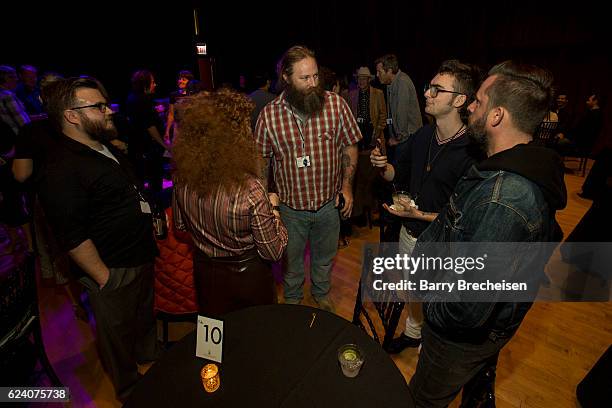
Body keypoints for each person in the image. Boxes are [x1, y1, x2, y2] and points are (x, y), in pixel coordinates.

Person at [407, 61, 566, 406]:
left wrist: (429, 304)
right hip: (471, 329)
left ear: (497, 116)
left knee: (421, 399)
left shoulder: (504, 200)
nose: (472, 106)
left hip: (454, 340)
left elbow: (465, 310)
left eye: (478, 100)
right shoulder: (505, 167)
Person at [38, 77, 160, 401]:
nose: (109, 111)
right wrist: (105, 278)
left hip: (140, 255)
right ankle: (131, 392)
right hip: (112, 269)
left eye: (106, 104)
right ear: (72, 116)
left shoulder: (103, 145)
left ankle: (151, 360)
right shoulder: (60, 169)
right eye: (99, 106)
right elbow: (72, 237)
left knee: (144, 319)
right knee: (117, 338)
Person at [371, 60, 482, 354]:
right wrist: (383, 167)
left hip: (442, 245)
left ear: (459, 100)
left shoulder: (473, 152)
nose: (427, 94)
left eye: (437, 89)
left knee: (437, 301)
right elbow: (398, 174)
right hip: (410, 234)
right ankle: (412, 332)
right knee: (413, 291)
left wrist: (417, 214)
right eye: (428, 87)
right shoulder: (422, 135)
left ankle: (428, 350)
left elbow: (466, 218)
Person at [254, 45, 361, 312]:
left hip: (328, 206)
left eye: (315, 76)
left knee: (325, 260)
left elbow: (349, 145)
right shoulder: (269, 115)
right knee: (291, 265)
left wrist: (346, 187)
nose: (313, 83)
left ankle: (321, 294)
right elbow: (261, 161)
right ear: (287, 78)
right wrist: (267, 201)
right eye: (305, 78)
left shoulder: (336, 105)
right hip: (290, 210)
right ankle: (292, 303)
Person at [172, 89, 288, 316]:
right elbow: (273, 252)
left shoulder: (182, 177)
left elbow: (181, 227)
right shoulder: (250, 190)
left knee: (217, 342)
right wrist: (274, 208)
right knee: (254, 338)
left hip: (206, 276)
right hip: (248, 282)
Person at [348, 66, 386, 227]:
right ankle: (358, 213)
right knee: (357, 180)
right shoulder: (350, 95)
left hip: (373, 140)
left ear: (369, 79)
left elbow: (383, 116)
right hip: (357, 141)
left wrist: (376, 134)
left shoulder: (378, 94)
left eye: (364, 78)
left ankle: (369, 210)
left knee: (370, 178)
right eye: (359, 78)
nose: (361, 81)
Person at [125, 69, 169, 202]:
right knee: (155, 181)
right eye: (153, 82)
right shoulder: (144, 100)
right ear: (145, 84)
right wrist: (165, 145)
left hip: (138, 147)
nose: (155, 85)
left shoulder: (132, 98)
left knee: (142, 179)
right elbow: (149, 126)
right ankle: (157, 208)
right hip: (148, 149)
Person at [374, 54, 422, 148]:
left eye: (379, 72)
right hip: (403, 138)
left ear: (389, 71)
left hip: (409, 138)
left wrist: (399, 139)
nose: (377, 75)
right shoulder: (390, 84)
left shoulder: (402, 83)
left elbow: (401, 113)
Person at [163, 70, 194, 143]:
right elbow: (171, 114)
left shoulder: (194, 95)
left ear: (189, 82)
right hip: (178, 127)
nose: (180, 81)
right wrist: (167, 131)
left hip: (191, 126)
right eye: (179, 79)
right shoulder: (173, 95)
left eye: (184, 79)